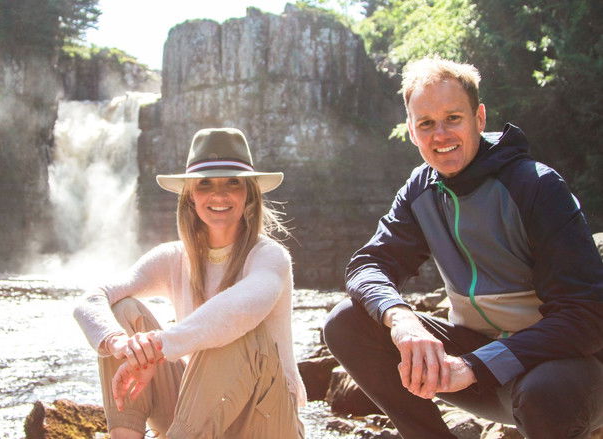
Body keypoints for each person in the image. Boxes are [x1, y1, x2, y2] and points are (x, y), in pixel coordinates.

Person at [324, 57, 603, 438]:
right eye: (426, 123)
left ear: (479, 118)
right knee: (346, 322)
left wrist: (476, 366)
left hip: (563, 371)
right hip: (475, 369)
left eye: (453, 118)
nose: (440, 135)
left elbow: (586, 316)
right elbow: (368, 264)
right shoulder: (420, 190)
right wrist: (401, 319)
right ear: (411, 131)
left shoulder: (536, 186)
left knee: (546, 392)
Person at [73, 127, 306, 439]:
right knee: (124, 310)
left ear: (249, 194)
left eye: (233, 182)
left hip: (266, 422)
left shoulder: (270, 256)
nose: (219, 195)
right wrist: (123, 345)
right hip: (198, 413)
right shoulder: (173, 257)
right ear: (190, 195)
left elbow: (240, 309)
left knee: (234, 330)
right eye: (205, 183)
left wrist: (158, 346)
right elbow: (92, 299)